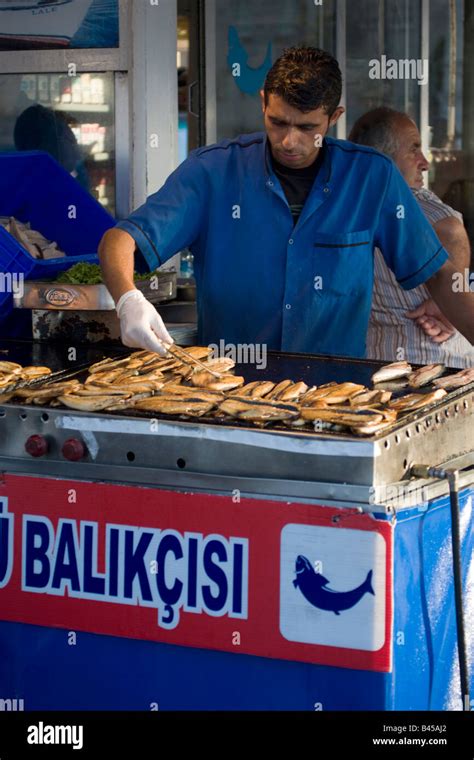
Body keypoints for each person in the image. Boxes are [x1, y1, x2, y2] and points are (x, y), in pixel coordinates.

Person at [98, 47, 474, 358]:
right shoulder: (212, 172)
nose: (289, 141)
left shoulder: (370, 178)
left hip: (337, 397)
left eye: (307, 128)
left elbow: (440, 275)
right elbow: (120, 240)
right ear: (263, 103)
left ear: (333, 118)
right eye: (278, 122)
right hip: (230, 391)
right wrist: (128, 299)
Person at [348, 107, 474, 368]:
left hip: (375, 361)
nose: (425, 162)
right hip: (438, 362)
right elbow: (450, 227)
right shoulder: (410, 200)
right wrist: (448, 301)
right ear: (383, 159)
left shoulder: (347, 203)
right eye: (413, 149)